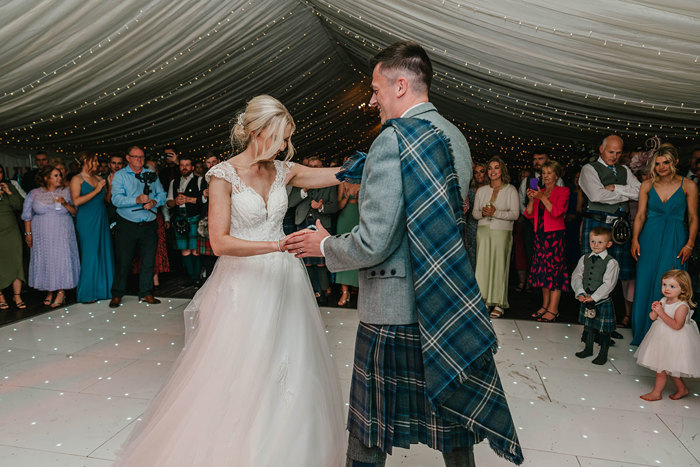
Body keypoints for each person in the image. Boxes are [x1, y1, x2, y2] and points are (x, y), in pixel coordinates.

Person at [286, 41, 523, 466]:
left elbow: (376, 240)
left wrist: (323, 245)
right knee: (452, 421)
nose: (371, 99)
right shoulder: (456, 136)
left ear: (400, 85)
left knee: (369, 428)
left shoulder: (390, 141)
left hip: (393, 310)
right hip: (445, 302)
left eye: (376, 89)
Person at [114, 95, 345, 466]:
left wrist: (353, 169)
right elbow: (219, 242)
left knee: (290, 364)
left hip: (285, 279)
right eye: (281, 138)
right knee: (240, 365)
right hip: (243, 282)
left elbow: (325, 174)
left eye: (287, 140)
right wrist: (276, 244)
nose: (285, 146)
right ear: (258, 132)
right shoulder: (223, 175)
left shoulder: (282, 170)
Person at [630, 143, 698, 345]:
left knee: (672, 280)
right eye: (658, 163)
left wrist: (690, 244)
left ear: (675, 162)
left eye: (666, 162)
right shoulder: (647, 185)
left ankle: (668, 335)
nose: (661, 167)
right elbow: (640, 216)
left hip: (676, 237)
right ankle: (642, 332)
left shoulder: (689, 185)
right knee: (645, 280)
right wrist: (635, 239)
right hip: (649, 236)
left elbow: (694, 217)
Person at [579, 135, 640, 325]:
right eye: (611, 151)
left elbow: (640, 192)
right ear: (601, 149)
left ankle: (613, 319)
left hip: (620, 227)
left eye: (618, 152)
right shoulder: (589, 169)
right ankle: (590, 320)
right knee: (594, 269)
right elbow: (596, 195)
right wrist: (624, 195)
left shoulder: (625, 170)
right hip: (598, 224)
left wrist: (615, 188)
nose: (614, 156)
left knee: (622, 273)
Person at [109, 146, 167, 307]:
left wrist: (155, 201)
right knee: (124, 261)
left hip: (149, 223)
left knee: (148, 261)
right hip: (127, 224)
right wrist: (136, 200)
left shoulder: (151, 175)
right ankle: (117, 294)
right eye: (136, 157)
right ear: (128, 158)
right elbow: (116, 200)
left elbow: (162, 194)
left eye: (142, 157)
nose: (140, 160)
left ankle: (146, 293)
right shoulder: (120, 176)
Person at [635, 270, 700, 401]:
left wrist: (661, 312)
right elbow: (653, 318)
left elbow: (677, 326)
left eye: (672, 286)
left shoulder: (682, 306)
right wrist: (655, 310)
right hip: (661, 338)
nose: (666, 289)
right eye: (664, 285)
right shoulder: (664, 300)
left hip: (676, 341)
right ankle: (683, 389)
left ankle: (656, 393)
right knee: (670, 369)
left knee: (663, 368)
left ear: (683, 289)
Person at [22, 166, 80, 308]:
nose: (59, 178)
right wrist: (28, 234)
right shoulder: (34, 193)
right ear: (46, 178)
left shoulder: (66, 192)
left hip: (62, 232)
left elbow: (75, 213)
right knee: (47, 259)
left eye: (60, 175)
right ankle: (49, 291)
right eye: (55, 175)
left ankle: (61, 291)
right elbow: (27, 216)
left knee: (60, 258)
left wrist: (65, 203)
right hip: (42, 234)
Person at [472, 157, 519, 318]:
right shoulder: (482, 190)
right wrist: (483, 213)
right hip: (483, 232)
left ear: (502, 171)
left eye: (496, 168)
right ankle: (482, 301)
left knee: (500, 267)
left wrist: (495, 213)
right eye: (490, 168)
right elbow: (475, 213)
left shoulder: (511, 189)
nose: (492, 171)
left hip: (502, 233)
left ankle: (499, 303)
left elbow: (515, 214)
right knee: (482, 268)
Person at [287, 156, 339, 303]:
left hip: (321, 224)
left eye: (317, 166)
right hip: (303, 222)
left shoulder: (329, 184)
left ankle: (324, 290)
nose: (315, 169)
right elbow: (290, 203)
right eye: (312, 166)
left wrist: (321, 207)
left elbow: (334, 206)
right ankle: (310, 291)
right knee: (306, 260)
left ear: (322, 168)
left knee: (321, 261)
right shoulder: (300, 183)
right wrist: (304, 189)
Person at [525, 160, 570, 322]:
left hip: (555, 236)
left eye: (549, 173)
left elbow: (556, 212)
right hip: (541, 235)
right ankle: (545, 306)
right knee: (543, 272)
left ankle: (554, 308)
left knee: (555, 272)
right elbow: (528, 214)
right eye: (543, 173)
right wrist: (531, 198)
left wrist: (542, 196)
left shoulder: (563, 191)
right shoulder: (540, 191)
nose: (545, 176)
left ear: (556, 175)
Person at [70, 151, 114, 303]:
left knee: (103, 252)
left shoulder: (99, 178)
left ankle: (103, 290)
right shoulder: (77, 179)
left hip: (101, 217)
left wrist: (110, 186)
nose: (97, 164)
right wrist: (96, 190)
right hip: (87, 219)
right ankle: (87, 293)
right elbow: (76, 201)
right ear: (85, 162)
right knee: (90, 254)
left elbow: (107, 200)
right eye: (94, 161)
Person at [572, 227, 620, 365]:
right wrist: (580, 292)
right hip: (586, 297)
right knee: (588, 326)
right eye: (593, 241)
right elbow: (577, 275)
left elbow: (609, 284)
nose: (595, 245)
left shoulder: (611, 262)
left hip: (601, 301)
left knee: (604, 330)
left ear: (608, 244)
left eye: (600, 242)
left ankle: (603, 354)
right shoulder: (584, 258)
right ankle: (588, 349)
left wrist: (595, 297)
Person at [166, 156, 207, 286]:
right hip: (180, 218)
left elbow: (204, 200)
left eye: (187, 165)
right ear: (179, 167)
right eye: (182, 165)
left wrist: (188, 199)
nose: (184, 167)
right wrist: (175, 202)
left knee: (195, 250)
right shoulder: (174, 182)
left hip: (195, 217)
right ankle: (192, 277)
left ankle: (198, 278)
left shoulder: (200, 180)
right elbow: (168, 203)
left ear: (192, 167)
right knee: (185, 250)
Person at [0, 164, 26, 310]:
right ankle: (1, 297)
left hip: (11, 230)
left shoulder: (10, 185)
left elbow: (20, 206)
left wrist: (9, 192)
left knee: (16, 260)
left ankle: (17, 296)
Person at [334, 174, 360, 306]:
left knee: (358, 252)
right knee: (343, 251)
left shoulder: (364, 179)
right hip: (345, 217)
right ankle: (345, 291)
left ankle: (358, 287)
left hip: (359, 217)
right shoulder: (342, 183)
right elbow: (337, 206)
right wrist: (345, 198)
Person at [197, 153, 220, 280]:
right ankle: (210, 280)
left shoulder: (226, 177)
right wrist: (204, 196)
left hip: (222, 217)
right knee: (208, 256)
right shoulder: (202, 180)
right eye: (208, 162)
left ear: (219, 161)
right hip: (207, 219)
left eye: (214, 161)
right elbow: (198, 201)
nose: (211, 165)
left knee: (221, 252)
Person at [464, 162, 487, 269]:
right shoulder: (469, 191)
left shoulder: (491, 190)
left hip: (486, 226)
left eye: (482, 172)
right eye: (476, 172)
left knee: (485, 255)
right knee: (472, 256)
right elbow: (465, 212)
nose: (479, 175)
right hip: (472, 226)